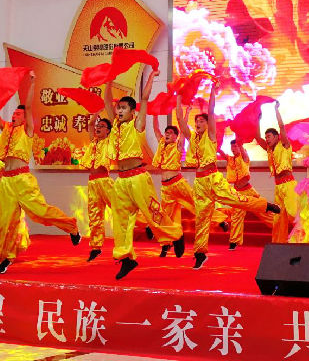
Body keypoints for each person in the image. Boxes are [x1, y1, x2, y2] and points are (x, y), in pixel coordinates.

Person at [0, 72, 82, 274]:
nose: (15, 115)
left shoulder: (28, 130)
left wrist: (32, 83)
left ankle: (71, 227)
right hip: (7, 182)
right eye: (14, 113)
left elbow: (29, 107)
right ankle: (6, 257)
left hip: (23, 180)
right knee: (5, 221)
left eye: (18, 113)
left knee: (41, 213)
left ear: (25, 118)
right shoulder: (6, 129)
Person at [177, 81, 280, 269]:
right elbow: (180, 121)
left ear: (208, 124)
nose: (198, 124)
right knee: (201, 218)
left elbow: (211, 111)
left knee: (238, 201)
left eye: (201, 121)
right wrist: (178, 98)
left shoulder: (211, 136)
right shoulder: (192, 138)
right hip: (200, 183)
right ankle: (200, 253)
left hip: (214, 179)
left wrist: (212, 91)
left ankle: (266, 205)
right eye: (196, 122)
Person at [104, 67, 185, 279]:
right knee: (120, 220)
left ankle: (175, 235)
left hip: (138, 177)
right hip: (121, 181)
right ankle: (126, 258)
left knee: (152, 213)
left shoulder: (137, 124)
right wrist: (108, 81)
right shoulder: (116, 127)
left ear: (133, 112)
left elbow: (145, 98)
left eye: (123, 108)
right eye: (119, 108)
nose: (119, 111)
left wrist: (150, 77)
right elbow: (107, 102)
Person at [149, 113, 228, 258]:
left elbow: (182, 127)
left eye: (171, 133)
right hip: (166, 188)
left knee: (197, 205)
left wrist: (186, 114)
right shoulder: (161, 144)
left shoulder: (178, 145)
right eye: (166, 132)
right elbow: (155, 129)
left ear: (176, 136)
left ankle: (220, 220)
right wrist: (155, 114)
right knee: (166, 216)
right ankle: (166, 245)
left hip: (178, 184)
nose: (167, 134)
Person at [254, 102, 297, 243]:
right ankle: (279, 244)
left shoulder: (284, 145)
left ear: (277, 137)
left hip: (289, 185)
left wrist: (276, 110)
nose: (267, 139)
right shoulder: (269, 150)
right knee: (278, 218)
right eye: (266, 137)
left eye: (269, 137)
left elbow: (282, 127)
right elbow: (257, 137)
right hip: (278, 187)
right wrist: (258, 119)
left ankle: (302, 240)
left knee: (293, 214)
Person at [224, 139, 274, 250]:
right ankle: (234, 242)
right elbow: (221, 153)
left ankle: (278, 226)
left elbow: (243, 151)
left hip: (249, 191)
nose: (233, 148)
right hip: (237, 193)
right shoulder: (230, 159)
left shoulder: (244, 157)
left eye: (235, 146)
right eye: (232, 147)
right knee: (236, 217)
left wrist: (240, 140)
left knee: (263, 210)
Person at [80, 113, 115, 262]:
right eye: (98, 126)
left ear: (108, 131)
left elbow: (114, 122)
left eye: (102, 126)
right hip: (92, 183)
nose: (98, 128)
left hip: (105, 181)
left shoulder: (110, 141)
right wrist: (95, 111)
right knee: (94, 216)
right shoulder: (93, 142)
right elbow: (90, 125)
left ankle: (144, 224)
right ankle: (96, 247)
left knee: (120, 208)